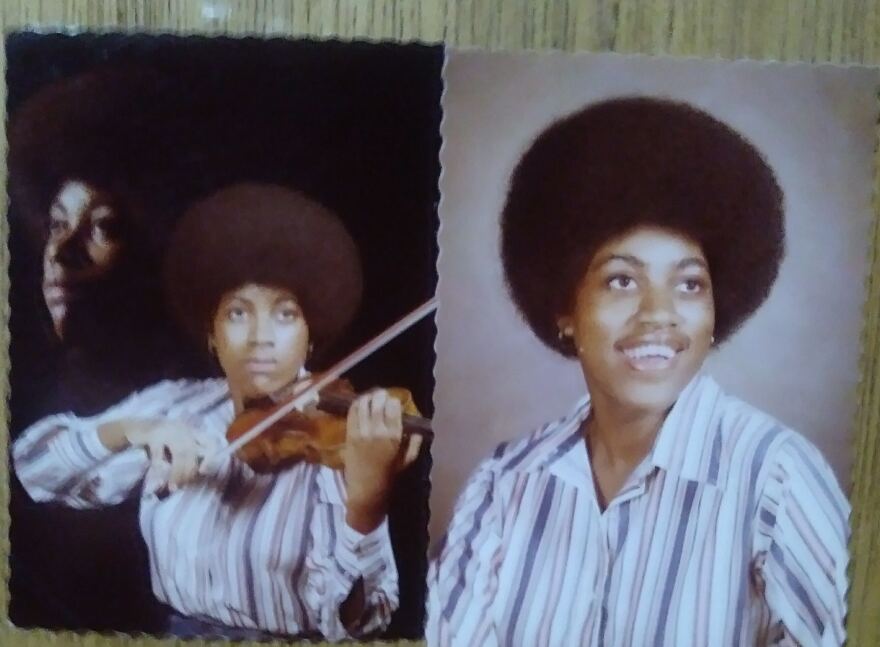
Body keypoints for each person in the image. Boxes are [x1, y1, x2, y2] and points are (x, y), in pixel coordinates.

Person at [428, 98, 849, 646]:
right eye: (621, 281)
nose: (659, 314)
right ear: (565, 312)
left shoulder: (777, 480)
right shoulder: (505, 484)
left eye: (690, 283)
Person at [13, 183, 421, 641]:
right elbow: (35, 470)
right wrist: (132, 429)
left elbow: (361, 623)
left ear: (310, 335)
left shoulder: (338, 444)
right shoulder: (176, 404)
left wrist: (365, 501)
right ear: (212, 335)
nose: (261, 336)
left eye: (285, 315)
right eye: (238, 314)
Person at [6, 65, 210, 633]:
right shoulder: (25, 378)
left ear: (148, 251)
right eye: (56, 222)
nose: (62, 251)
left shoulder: (180, 396)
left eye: (104, 227)